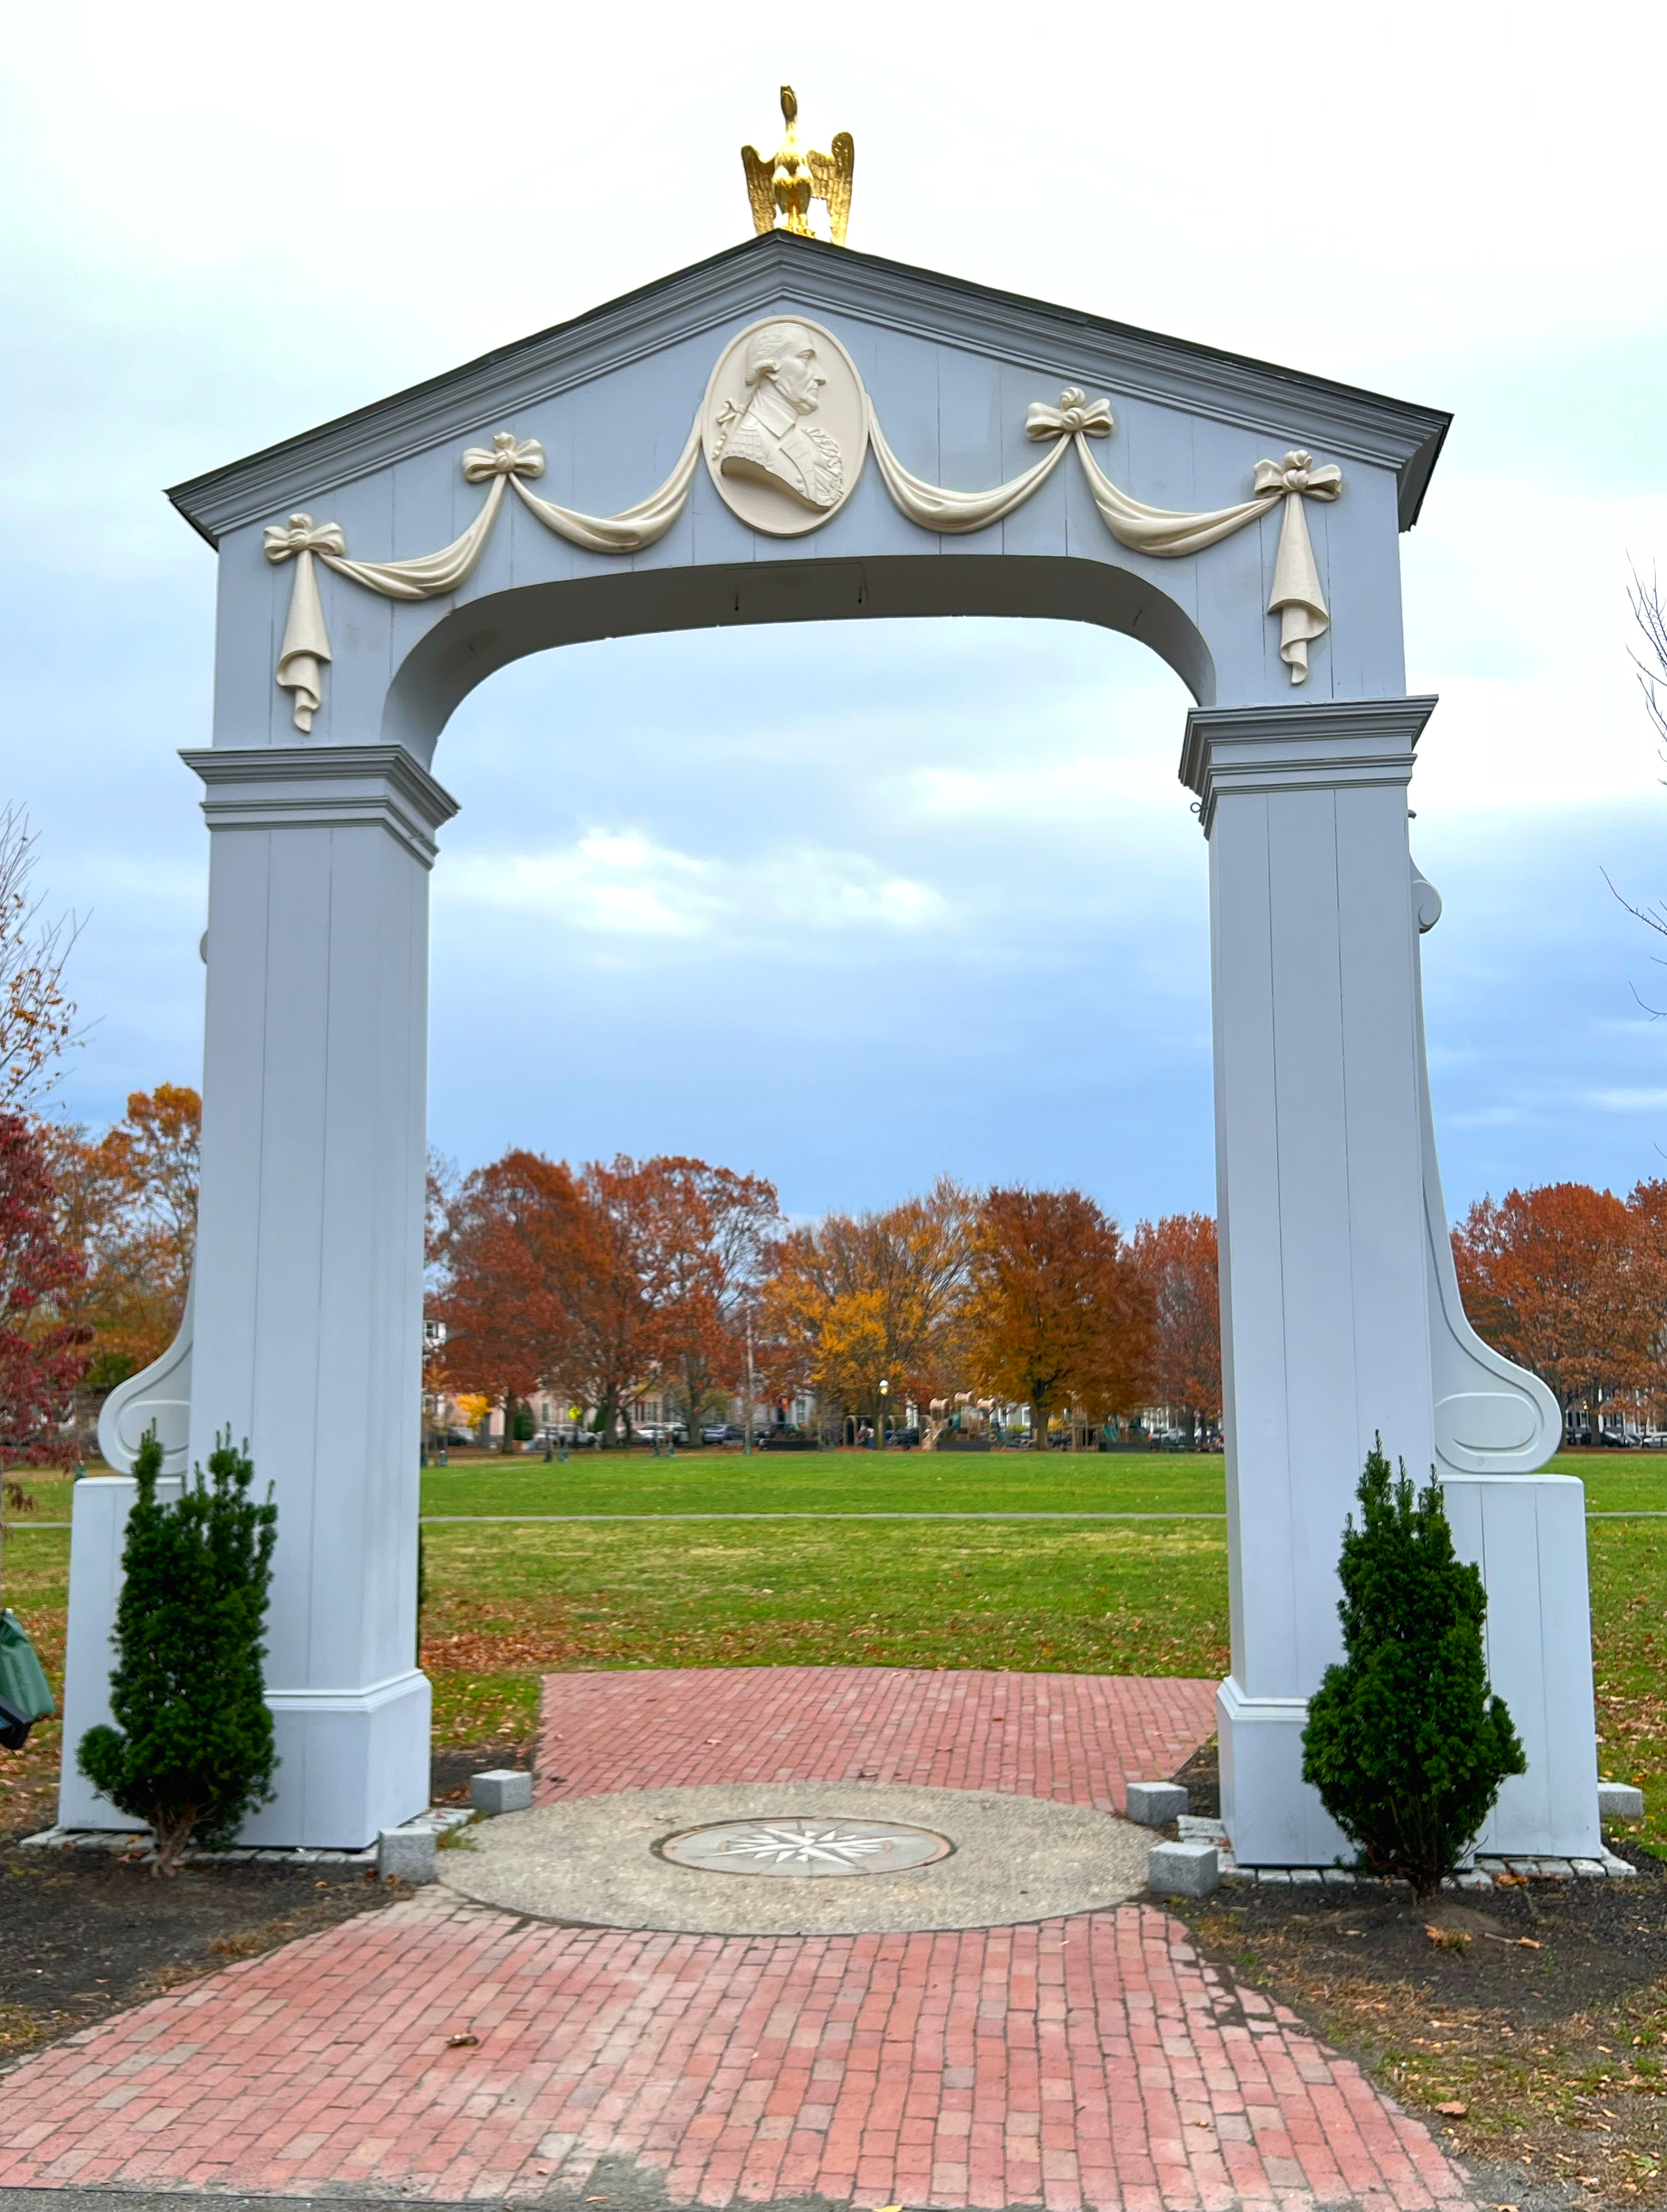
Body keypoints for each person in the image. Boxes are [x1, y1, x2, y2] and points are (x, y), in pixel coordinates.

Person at [719, 322, 844, 511]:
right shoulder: (747, 445)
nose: (820, 376)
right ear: (769, 370)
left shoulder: (815, 444)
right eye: (805, 359)